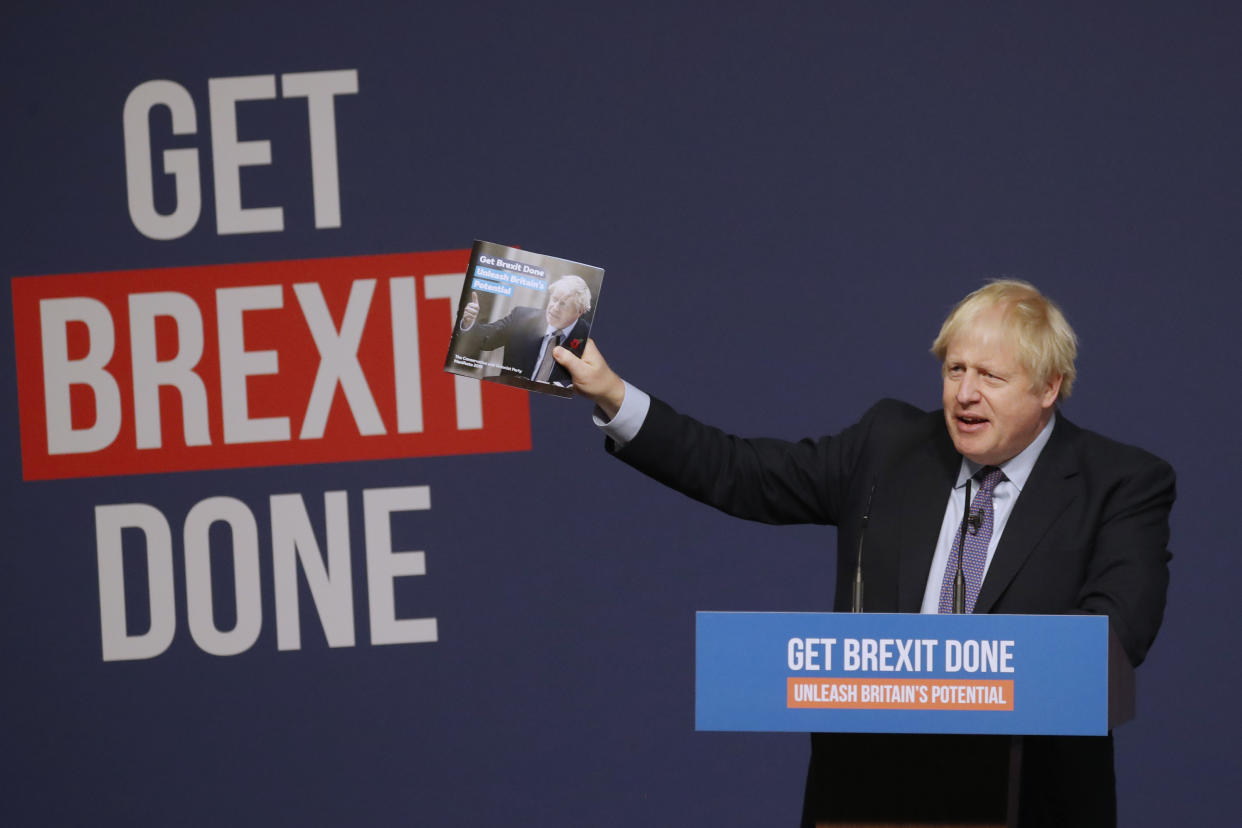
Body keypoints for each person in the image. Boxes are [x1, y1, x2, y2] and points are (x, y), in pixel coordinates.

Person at [551, 279, 1174, 827]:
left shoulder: (1120, 482)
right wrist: (611, 393)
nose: (965, 395)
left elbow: (1116, 634)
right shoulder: (891, 446)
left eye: (990, 376)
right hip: (868, 795)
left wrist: (977, 678)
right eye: (955, 370)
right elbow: (740, 472)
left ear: (1049, 388)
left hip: (1032, 795)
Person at [458, 274, 593, 385]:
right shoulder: (521, 318)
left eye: (563, 304)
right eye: (554, 299)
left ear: (579, 312)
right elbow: (485, 340)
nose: (554, 307)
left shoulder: (586, 337)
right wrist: (469, 322)